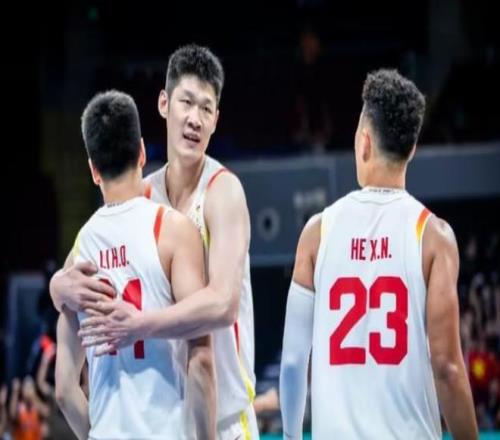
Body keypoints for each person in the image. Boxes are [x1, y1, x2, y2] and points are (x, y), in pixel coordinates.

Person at [51, 44, 257, 439]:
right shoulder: (141, 196)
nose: (194, 119)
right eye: (186, 102)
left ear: (216, 120)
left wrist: (139, 325)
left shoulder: (223, 191)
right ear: (164, 104)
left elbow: (223, 304)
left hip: (225, 419)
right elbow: (71, 277)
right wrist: (57, 285)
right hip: (173, 416)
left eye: (206, 109)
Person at [279, 69, 478, 439]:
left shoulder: (317, 233)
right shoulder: (434, 236)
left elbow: (292, 362)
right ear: (412, 149)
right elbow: (448, 368)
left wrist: (291, 435)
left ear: (365, 142)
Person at [54, 90, 216, 440]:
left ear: (93, 170)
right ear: (142, 152)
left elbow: (64, 390)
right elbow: (201, 361)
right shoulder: (173, 231)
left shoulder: (79, 254)